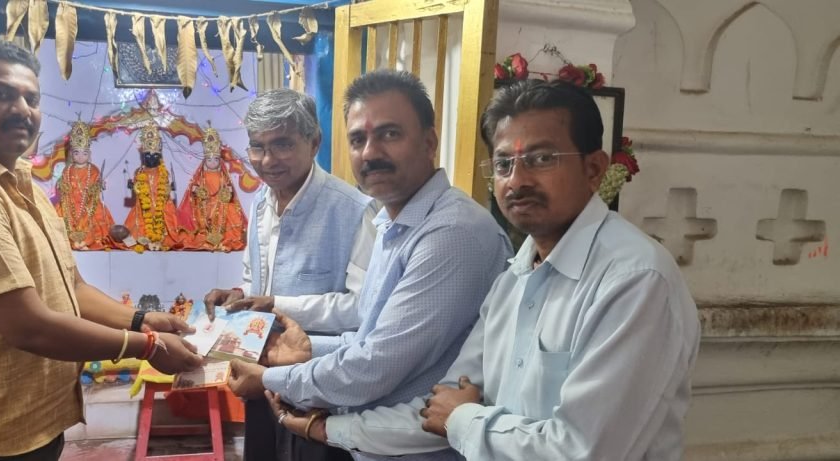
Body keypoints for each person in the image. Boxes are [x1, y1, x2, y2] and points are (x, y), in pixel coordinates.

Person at [269, 79, 701, 461]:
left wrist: (463, 420)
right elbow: (439, 405)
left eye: (542, 158)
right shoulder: (515, 279)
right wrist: (326, 429)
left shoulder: (633, 280)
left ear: (594, 170)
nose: (517, 180)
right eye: (503, 163)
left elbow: (582, 450)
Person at [0, 39, 203, 461]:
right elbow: (29, 327)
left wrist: (141, 319)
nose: (22, 109)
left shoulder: (23, 186)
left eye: (32, 98)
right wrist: (148, 346)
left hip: (29, 425)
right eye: (2, 94)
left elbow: (72, 287)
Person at [226, 70, 512, 461]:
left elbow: (375, 364)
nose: (371, 153)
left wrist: (272, 377)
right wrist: (306, 349)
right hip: (358, 430)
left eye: (390, 134)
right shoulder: (393, 222)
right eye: (358, 139)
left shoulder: (451, 231)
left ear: (429, 142)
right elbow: (369, 336)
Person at [204, 88, 377, 461]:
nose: (267, 160)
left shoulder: (355, 211)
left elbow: (361, 308)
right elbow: (255, 278)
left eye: (282, 144)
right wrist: (239, 297)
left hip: (320, 389)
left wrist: (276, 304)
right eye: (257, 147)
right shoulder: (261, 203)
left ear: (314, 143)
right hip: (262, 377)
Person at [179, 125, 247, 251]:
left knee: (232, 211)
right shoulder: (201, 175)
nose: (212, 162)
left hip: (220, 203)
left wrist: (227, 192)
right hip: (204, 203)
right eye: (209, 159)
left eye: (215, 159)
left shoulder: (222, 175)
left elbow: (229, 188)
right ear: (204, 160)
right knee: (200, 212)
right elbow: (193, 188)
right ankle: (206, 236)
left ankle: (224, 238)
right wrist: (198, 191)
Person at [54, 119, 117, 250]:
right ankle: (73, 242)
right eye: (76, 153)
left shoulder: (93, 169)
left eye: (84, 153)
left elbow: (95, 186)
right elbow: (64, 185)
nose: (80, 157)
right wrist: (62, 185)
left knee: (96, 215)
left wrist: (99, 185)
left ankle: (87, 241)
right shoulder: (67, 170)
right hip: (71, 203)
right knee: (61, 216)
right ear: (72, 154)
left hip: (89, 202)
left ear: (89, 154)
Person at [124, 122, 184, 251]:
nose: (151, 158)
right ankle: (143, 240)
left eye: (155, 155)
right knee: (131, 238)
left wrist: (169, 188)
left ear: (159, 156)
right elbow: (138, 191)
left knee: (169, 233)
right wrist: (132, 186)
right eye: (148, 155)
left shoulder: (163, 172)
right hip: (143, 209)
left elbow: (165, 192)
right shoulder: (139, 172)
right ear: (143, 157)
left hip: (161, 209)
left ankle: (160, 240)